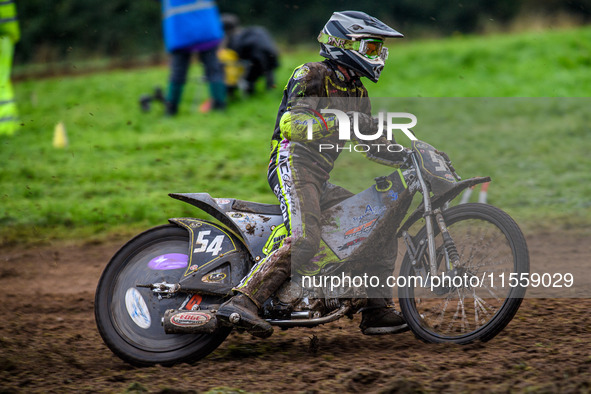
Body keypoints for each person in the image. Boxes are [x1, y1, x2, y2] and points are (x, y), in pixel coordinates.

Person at [217, 11, 411, 338]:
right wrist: (342, 123)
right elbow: (291, 124)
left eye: (380, 49)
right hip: (292, 162)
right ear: (344, 44)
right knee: (306, 237)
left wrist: (411, 156)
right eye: (373, 47)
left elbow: (372, 143)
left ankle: (375, 308)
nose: (379, 55)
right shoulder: (311, 74)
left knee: (378, 222)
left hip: (319, 176)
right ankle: (243, 301)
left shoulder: (357, 93)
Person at [161, 0, 226, 115]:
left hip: (180, 31)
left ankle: (171, 110)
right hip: (205, 29)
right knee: (213, 70)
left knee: (178, 73)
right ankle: (220, 106)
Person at [221, 14, 279, 95]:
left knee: (249, 78)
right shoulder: (255, 30)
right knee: (268, 69)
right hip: (271, 53)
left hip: (257, 58)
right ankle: (270, 90)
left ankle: (249, 94)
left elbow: (236, 56)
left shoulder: (234, 38)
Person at [0, 0, 19, 136]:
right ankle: (8, 124)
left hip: (3, 35)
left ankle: (5, 125)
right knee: (3, 80)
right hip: (6, 36)